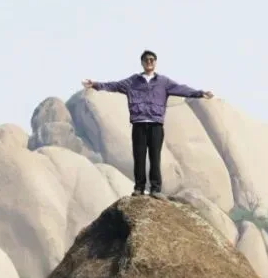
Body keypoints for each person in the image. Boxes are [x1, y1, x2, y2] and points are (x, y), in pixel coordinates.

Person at [82, 51, 214, 197]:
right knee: (139, 157)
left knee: (155, 157)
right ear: (142, 63)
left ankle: (155, 189)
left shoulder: (163, 82)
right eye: (146, 60)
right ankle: (139, 188)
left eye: (151, 59)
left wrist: (200, 93)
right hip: (139, 124)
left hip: (155, 124)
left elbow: (181, 89)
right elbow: (114, 85)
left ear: (155, 62)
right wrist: (95, 85)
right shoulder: (133, 81)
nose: (149, 62)